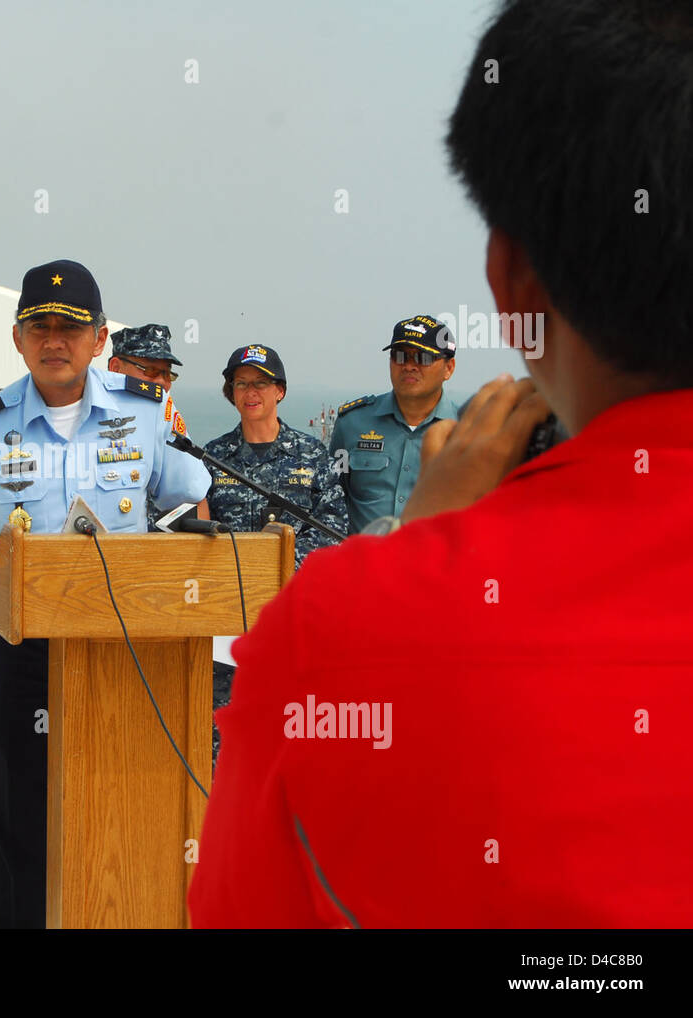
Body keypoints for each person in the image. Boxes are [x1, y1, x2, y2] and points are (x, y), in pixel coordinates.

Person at [191, 0, 693, 928]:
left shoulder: (335, 633)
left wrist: (413, 554)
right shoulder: (343, 435)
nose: (407, 369)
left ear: (509, 285)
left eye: (422, 357)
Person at [0, 259, 211, 928]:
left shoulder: (145, 415)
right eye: (39, 327)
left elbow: (194, 494)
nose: (55, 340)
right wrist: (10, 561)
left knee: (120, 807)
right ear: (18, 339)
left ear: (100, 338)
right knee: (17, 822)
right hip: (17, 648)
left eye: (71, 328)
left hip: (123, 646)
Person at [202, 344, 347, 762]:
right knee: (223, 749)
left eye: (261, 383)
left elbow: (334, 531)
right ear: (231, 392)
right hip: (227, 632)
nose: (251, 392)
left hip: (291, 625)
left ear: (279, 390)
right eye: (241, 383)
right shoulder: (211, 458)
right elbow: (194, 533)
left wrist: (275, 567)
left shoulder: (312, 456)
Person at [329, 315, 459, 534]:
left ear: (449, 368)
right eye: (399, 356)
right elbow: (330, 500)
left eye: (423, 358)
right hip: (364, 565)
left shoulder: (467, 431)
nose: (409, 366)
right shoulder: (351, 424)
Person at [106, 323, 197, 528]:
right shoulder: (90, 416)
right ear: (115, 368)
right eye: (150, 371)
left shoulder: (165, 419)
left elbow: (194, 496)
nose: (162, 383)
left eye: (167, 374)